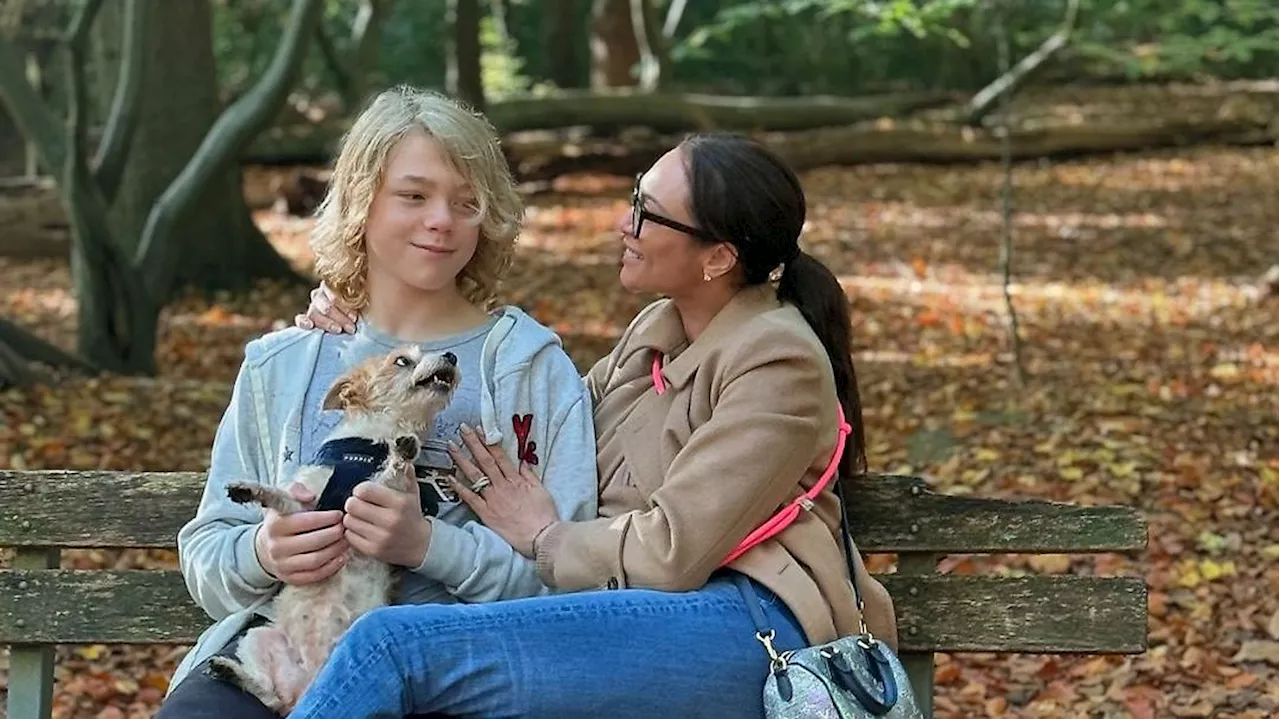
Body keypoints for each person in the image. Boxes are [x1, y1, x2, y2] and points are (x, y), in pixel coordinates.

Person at [289, 132, 898, 719]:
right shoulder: (655, 332)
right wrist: (365, 316)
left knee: (390, 647)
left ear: (718, 257)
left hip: (752, 627)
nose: (623, 225)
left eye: (649, 214)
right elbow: (543, 427)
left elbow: (672, 553)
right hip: (637, 614)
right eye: (636, 197)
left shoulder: (777, 361)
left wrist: (546, 537)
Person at [157, 86, 599, 718]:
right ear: (362, 202)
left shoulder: (532, 369)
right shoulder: (287, 364)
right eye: (413, 195)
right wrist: (265, 551)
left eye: (466, 202)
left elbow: (574, 574)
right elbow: (206, 555)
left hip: (466, 668)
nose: (442, 219)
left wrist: (428, 547)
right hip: (280, 657)